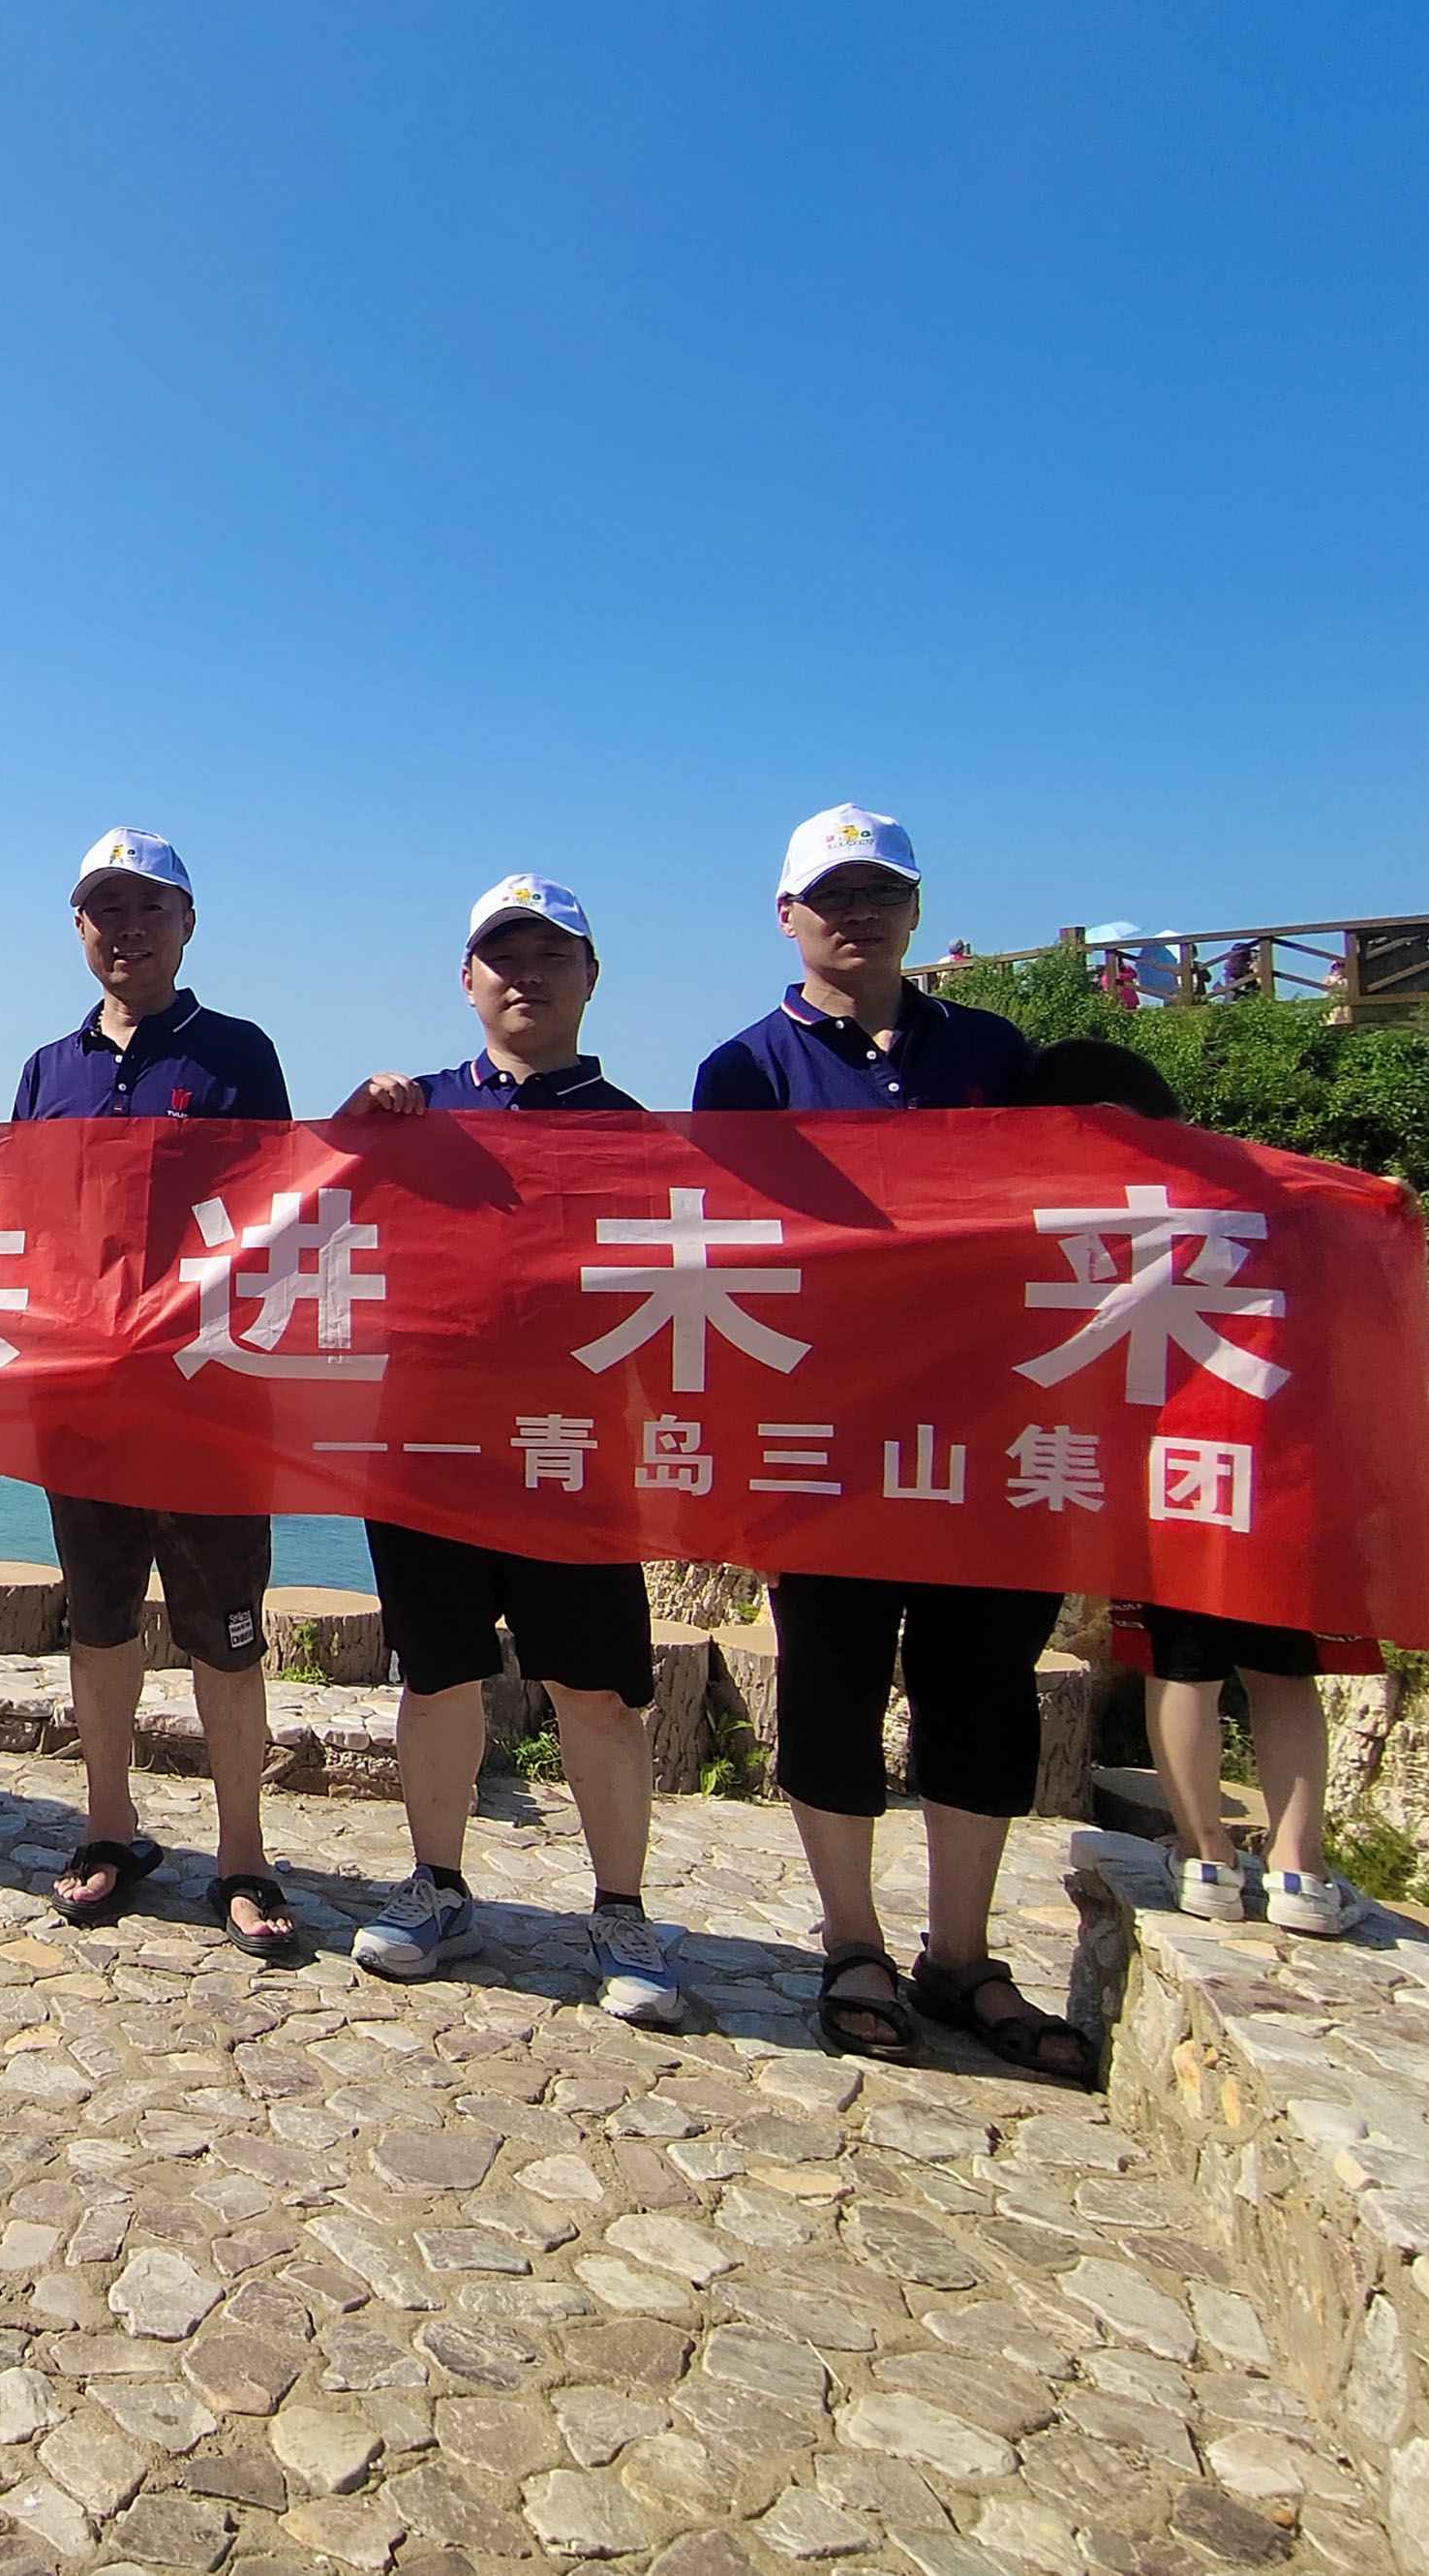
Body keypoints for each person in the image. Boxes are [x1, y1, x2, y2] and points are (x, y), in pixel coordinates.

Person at [692, 805, 1091, 2081]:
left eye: (879, 892)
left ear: (913, 910)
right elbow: (723, 1245)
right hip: (828, 1433)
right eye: (832, 895)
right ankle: (851, 1941)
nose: (856, 913)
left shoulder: (994, 1052)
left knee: (983, 1686)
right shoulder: (744, 1071)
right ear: (787, 916)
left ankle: (962, 1954)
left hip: (990, 1429)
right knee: (832, 1681)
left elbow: (1085, 1197)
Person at [331, 875, 679, 2024]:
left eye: (551, 955)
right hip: (425, 1442)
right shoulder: (411, 1114)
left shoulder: (635, 1130)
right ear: (467, 979)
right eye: (504, 956)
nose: (527, 975)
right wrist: (351, 1126)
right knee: (436, 1677)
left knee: (598, 1691)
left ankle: (621, 1913)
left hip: (574, 1450)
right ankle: (436, 1886)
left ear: (590, 976)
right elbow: (303, 1211)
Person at [16, 827, 304, 1956]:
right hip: (83, 1400)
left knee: (226, 1638)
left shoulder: (238, 1054)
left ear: (187, 924)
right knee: (98, 1626)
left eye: (149, 908)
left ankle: (243, 1856)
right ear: (78, 927)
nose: (127, 929)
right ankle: (109, 1827)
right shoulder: (48, 1070)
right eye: (106, 909)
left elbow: (289, 1206)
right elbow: (23, 1226)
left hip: (211, 1400)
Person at [1025, 1038, 1372, 1937]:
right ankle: (1299, 1870)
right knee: (1285, 1673)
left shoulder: (1077, 1216)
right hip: (1271, 1470)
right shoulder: (1244, 1195)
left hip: (1165, 1479)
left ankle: (1206, 1854)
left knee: (1183, 1668)